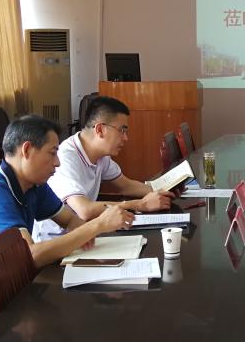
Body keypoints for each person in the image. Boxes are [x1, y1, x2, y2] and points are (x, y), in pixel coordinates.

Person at [0, 115, 132, 299]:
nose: (57, 163)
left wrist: (85, 233)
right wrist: (98, 225)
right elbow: (29, 256)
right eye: (52, 153)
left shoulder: (33, 184)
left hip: (9, 282)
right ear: (27, 150)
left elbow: (70, 220)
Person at [33, 96, 173, 240]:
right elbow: (85, 210)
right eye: (122, 130)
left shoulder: (100, 155)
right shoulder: (66, 157)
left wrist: (166, 190)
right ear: (100, 129)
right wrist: (141, 204)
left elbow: (126, 186)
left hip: (83, 235)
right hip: (56, 241)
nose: (125, 138)